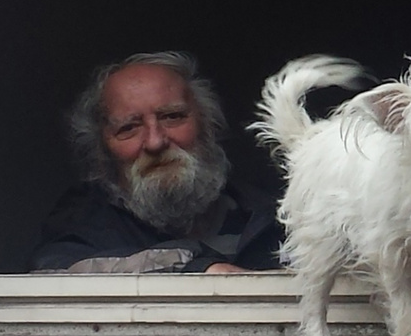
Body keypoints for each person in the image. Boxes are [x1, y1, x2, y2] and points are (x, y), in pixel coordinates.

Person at [30, 51, 286, 274]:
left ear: (208, 126)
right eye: (129, 127)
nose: (155, 142)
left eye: (172, 117)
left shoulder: (270, 217)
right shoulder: (83, 226)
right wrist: (193, 267)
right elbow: (55, 273)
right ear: (102, 150)